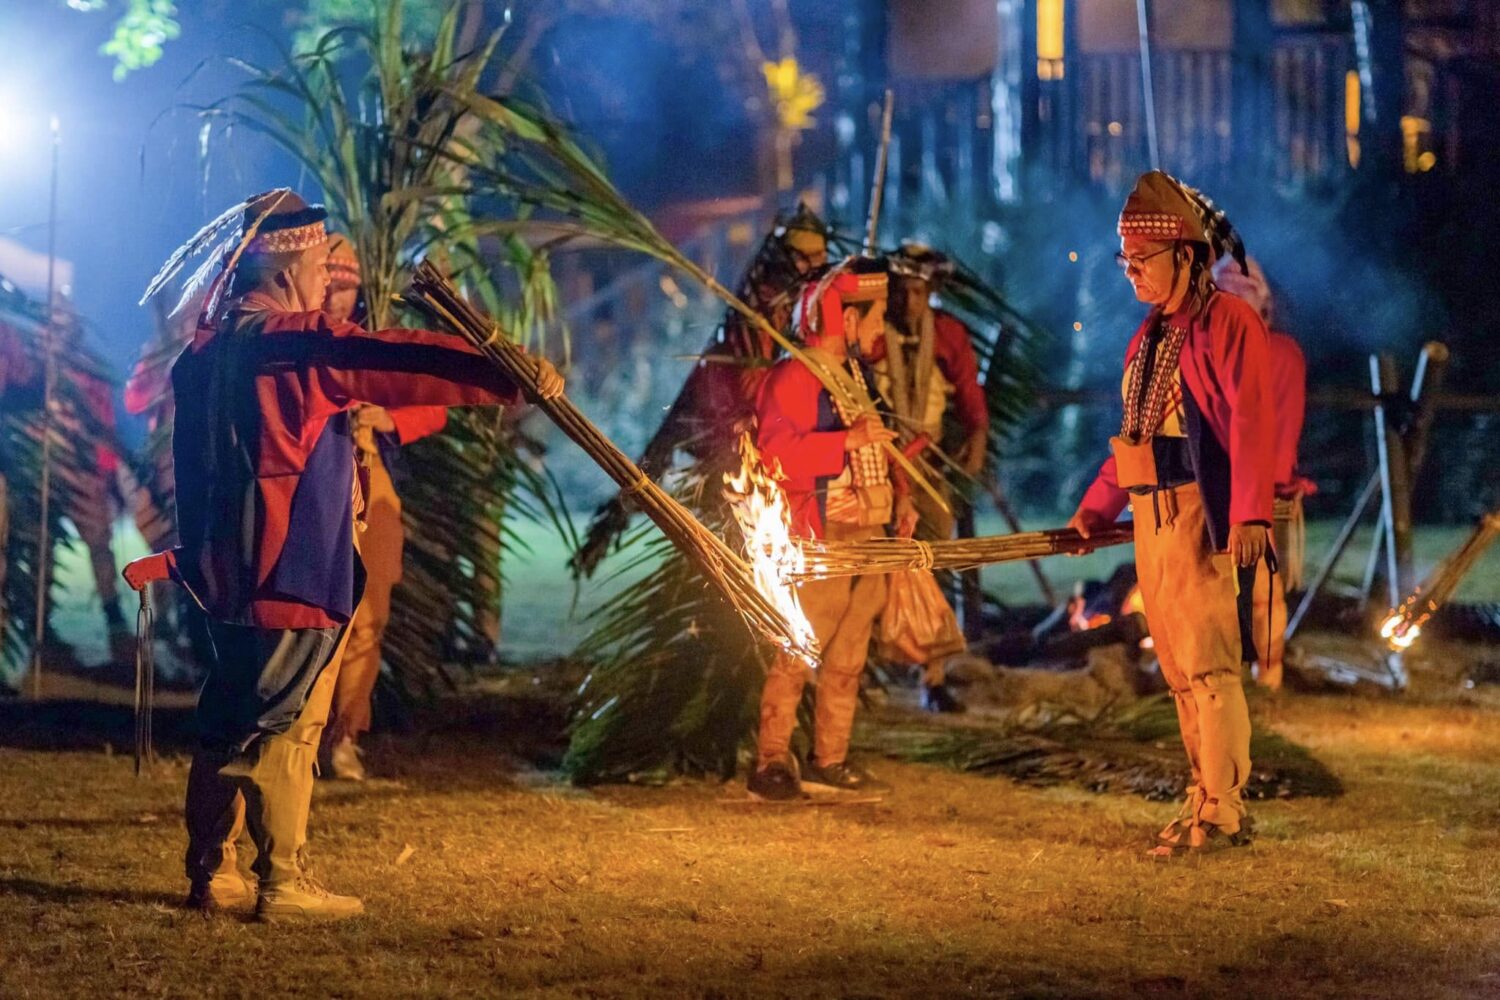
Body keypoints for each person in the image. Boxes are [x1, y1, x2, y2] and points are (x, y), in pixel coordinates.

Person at [122, 189, 563, 919]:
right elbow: (385, 357)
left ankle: (213, 871)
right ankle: (283, 881)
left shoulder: (201, 358)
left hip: (227, 576)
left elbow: (193, 474)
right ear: (287, 268)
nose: (332, 279)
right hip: (286, 570)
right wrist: (502, 373)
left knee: (230, 716)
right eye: (324, 265)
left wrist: (198, 560)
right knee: (285, 724)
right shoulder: (290, 343)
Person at [1068, 170, 1274, 855]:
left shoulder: (1230, 323)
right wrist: (1093, 513)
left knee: (1210, 666)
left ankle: (1224, 811)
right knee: (1180, 670)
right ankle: (1202, 798)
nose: (1129, 273)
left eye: (1140, 260)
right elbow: (1134, 434)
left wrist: (1249, 515)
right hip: (1152, 521)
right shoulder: (1147, 336)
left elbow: (1251, 421)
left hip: (1200, 516)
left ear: (1185, 256)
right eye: (1123, 260)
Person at [747, 257, 915, 800]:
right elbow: (771, 456)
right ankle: (772, 759)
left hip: (871, 535)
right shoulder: (795, 375)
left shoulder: (857, 377)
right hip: (822, 538)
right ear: (846, 317)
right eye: (874, 316)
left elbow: (879, 449)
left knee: (848, 658)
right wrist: (844, 442)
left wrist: (903, 502)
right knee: (799, 650)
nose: (879, 328)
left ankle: (830, 759)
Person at [319, 234, 449, 780]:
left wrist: (387, 419)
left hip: (371, 491)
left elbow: (435, 407)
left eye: (346, 289)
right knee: (317, 621)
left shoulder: (375, 344)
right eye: (330, 287)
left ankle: (344, 736)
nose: (337, 299)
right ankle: (300, 736)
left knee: (368, 619)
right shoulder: (294, 338)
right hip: (315, 492)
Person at [874, 244, 989, 712]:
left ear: (932, 292)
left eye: (919, 291)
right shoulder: (870, 333)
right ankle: (867, 669)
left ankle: (933, 676)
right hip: (877, 468)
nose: (909, 302)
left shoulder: (948, 334)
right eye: (901, 290)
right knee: (873, 568)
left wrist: (977, 441)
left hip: (928, 466)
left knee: (934, 562)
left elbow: (969, 397)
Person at [1215, 256, 1313, 691]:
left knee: (1260, 591)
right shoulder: (1199, 348)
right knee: (1214, 591)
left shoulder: (1281, 355)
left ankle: (1267, 677)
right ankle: (1222, 678)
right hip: (1211, 487)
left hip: (1255, 489)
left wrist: (1261, 491)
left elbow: (1279, 431)